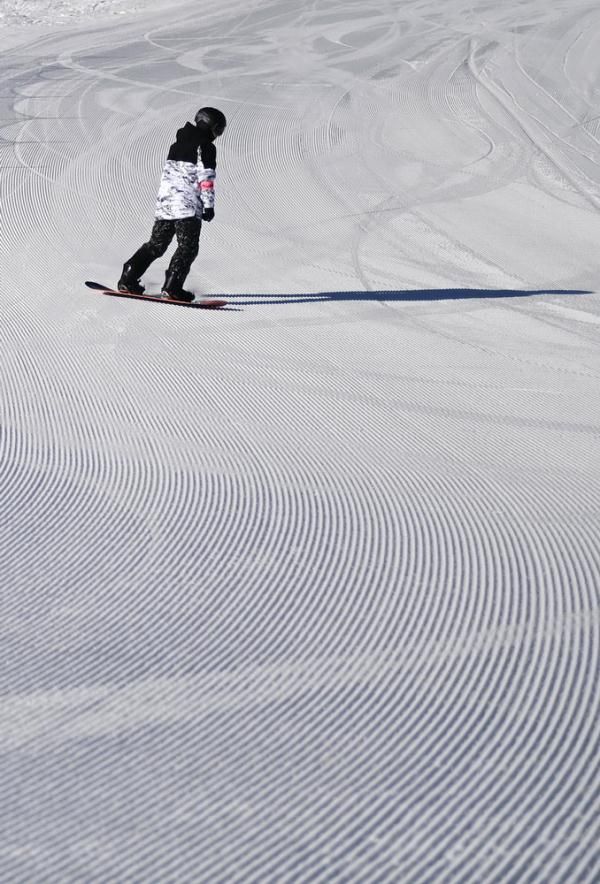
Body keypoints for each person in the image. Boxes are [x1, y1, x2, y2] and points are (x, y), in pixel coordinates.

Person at [118, 107, 227, 302]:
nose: (217, 135)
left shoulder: (177, 144)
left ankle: (128, 277)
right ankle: (173, 287)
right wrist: (208, 205)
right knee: (188, 247)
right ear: (212, 126)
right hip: (187, 205)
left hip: (166, 203)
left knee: (156, 245)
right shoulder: (206, 147)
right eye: (219, 130)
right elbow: (206, 177)